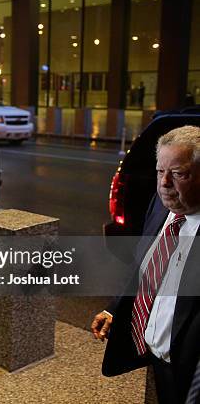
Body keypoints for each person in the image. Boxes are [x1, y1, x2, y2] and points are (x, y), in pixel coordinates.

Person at [91, 125, 200, 403]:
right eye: (160, 171)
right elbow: (145, 264)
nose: (164, 183)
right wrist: (116, 308)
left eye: (178, 173)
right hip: (158, 361)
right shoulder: (161, 205)